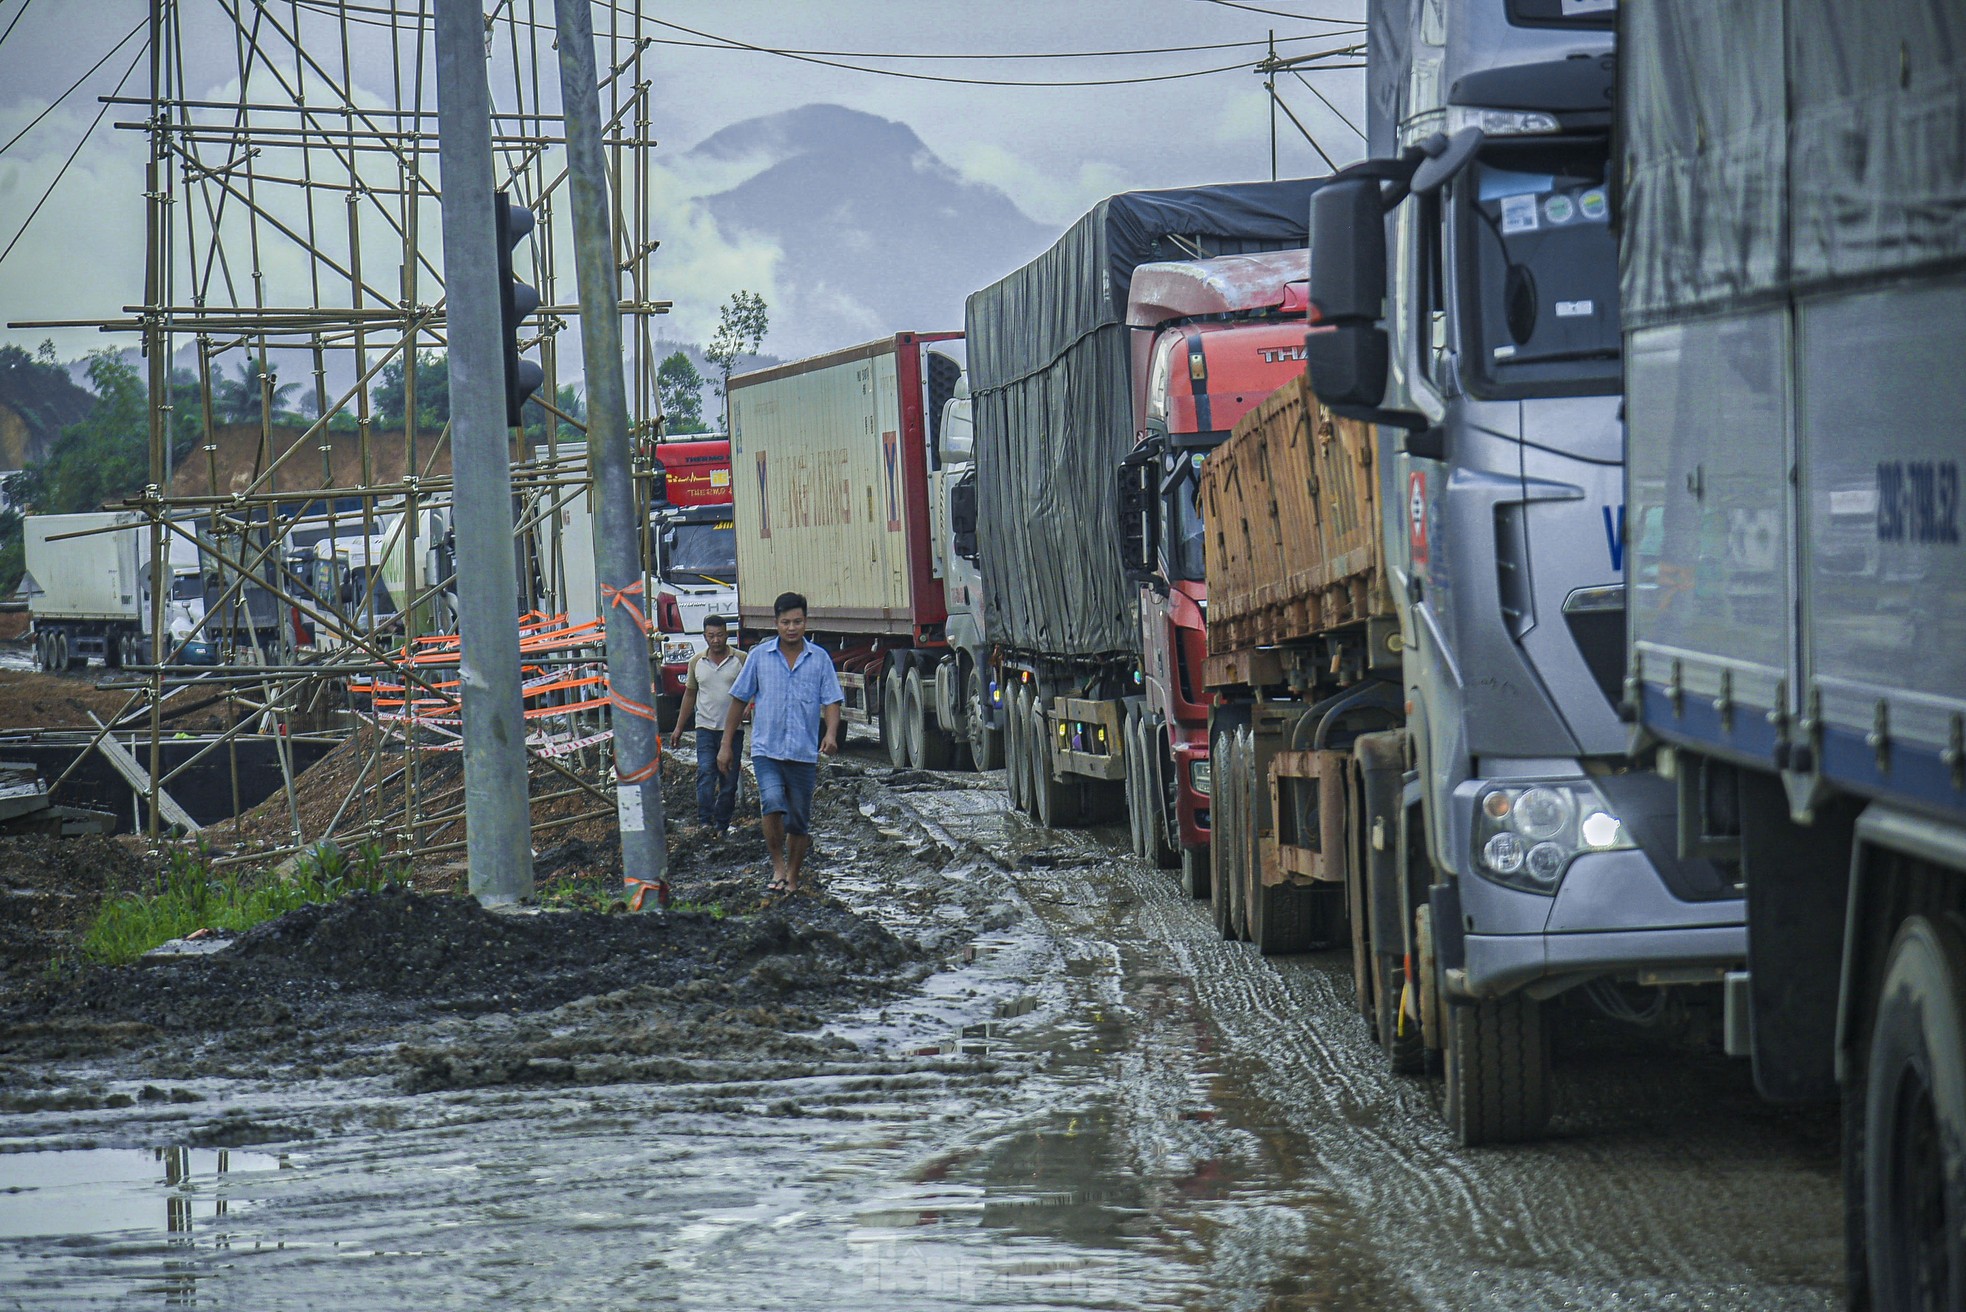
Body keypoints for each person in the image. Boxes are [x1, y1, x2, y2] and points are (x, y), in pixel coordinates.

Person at [718, 591, 842, 895]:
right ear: (776, 623)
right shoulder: (760, 657)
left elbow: (832, 700)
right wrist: (725, 744)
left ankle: (794, 874)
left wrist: (830, 734)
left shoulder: (819, 659)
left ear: (805, 622)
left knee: (799, 820)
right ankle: (777, 866)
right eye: (785, 622)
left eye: (797, 621)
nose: (791, 628)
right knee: (772, 803)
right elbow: (738, 699)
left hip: (802, 753)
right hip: (767, 750)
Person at [672, 615, 746, 834]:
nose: (716, 640)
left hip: (733, 731)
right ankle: (705, 821)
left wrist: (750, 707)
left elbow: (752, 690)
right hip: (705, 728)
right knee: (706, 772)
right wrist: (678, 727)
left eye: (720, 635)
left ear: (727, 635)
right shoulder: (697, 662)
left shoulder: (741, 659)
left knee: (729, 780)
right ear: (705, 636)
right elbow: (689, 695)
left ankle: (722, 824)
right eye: (711, 636)